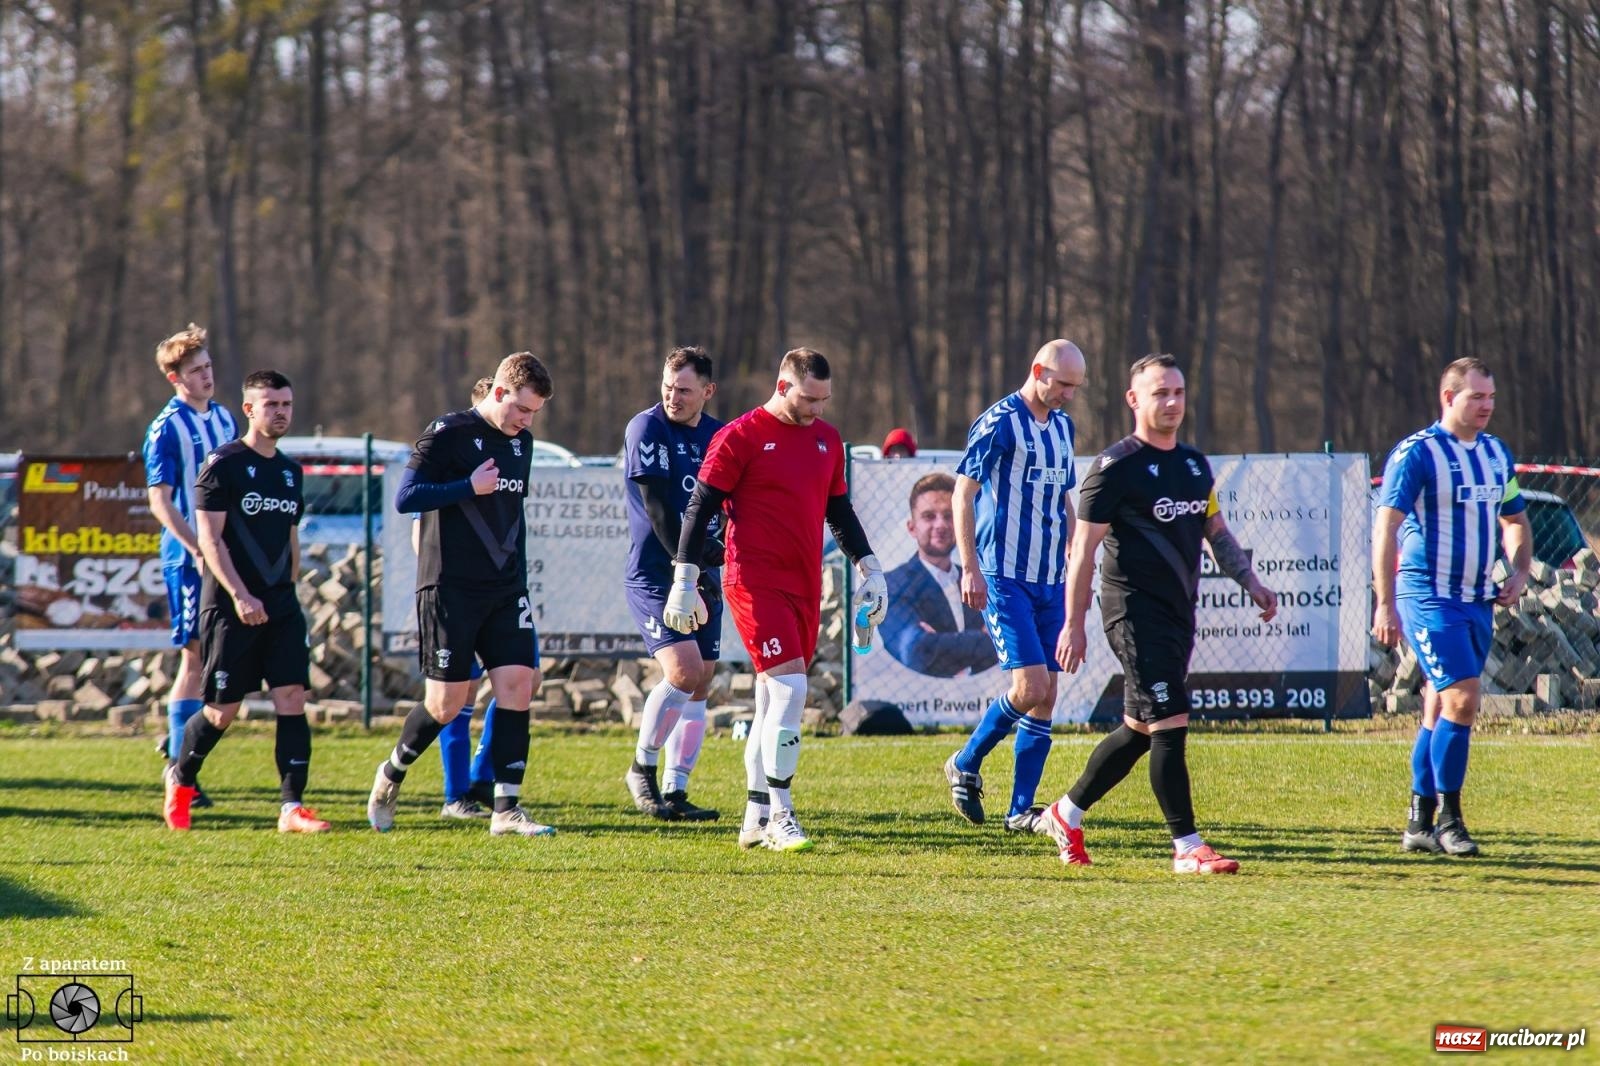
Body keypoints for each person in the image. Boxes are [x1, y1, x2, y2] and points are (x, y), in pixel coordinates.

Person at [1043, 354, 1277, 873]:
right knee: (1171, 722)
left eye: (1177, 392)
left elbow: (1215, 533)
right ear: (1134, 400)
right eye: (1159, 393)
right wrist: (1072, 622)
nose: (1171, 403)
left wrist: (1252, 583)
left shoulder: (1194, 465)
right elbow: (1081, 551)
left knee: (1139, 729)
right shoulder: (1115, 466)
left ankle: (1067, 811)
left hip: (1177, 615)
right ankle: (1188, 847)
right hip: (1130, 613)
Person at [664, 347, 887, 852]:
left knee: (770, 702)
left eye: (825, 399)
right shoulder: (739, 436)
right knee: (790, 692)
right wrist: (684, 576)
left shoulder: (827, 440)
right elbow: (699, 509)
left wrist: (868, 565)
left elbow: (839, 510)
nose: (818, 409)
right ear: (783, 385)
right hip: (752, 580)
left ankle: (754, 818)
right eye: (810, 398)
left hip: (804, 582)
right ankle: (783, 815)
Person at [367, 352, 555, 838]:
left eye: (533, 413)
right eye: (522, 409)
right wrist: (467, 486)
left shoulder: (522, 444)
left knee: (518, 686)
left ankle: (506, 810)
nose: (526, 420)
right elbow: (406, 497)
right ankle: (391, 773)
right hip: (449, 587)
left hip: (504, 588)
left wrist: (521, 582)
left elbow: (513, 516)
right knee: (447, 704)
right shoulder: (447, 432)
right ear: (498, 392)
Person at [1372, 358, 1529, 857]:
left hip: (1476, 598)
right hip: (1427, 594)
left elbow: (1516, 520)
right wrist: (1384, 603)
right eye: (1475, 397)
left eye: (1491, 398)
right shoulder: (1416, 454)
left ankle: (1418, 820)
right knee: (1463, 698)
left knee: (1439, 705)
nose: (1485, 407)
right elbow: (1386, 528)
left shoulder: (1496, 454)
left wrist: (1521, 571)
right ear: (1448, 397)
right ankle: (1450, 820)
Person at [163, 370, 328, 833]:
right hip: (231, 605)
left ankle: (292, 808)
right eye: (270, 404)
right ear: (249, 409)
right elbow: (209, 540)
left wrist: (287, 591)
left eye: (287, 404)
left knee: (292, 697)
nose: (280, 412)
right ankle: (181, 776)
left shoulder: (291, 472)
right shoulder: (223, 463)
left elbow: (291, 538)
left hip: (280, 605)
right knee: (222, 710)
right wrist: (240, 594)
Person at [942, 340, 1085, 834]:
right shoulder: (1000, 421)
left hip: (1050, 578)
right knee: (1030, 687)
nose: (1069, 394)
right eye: (1063, 383)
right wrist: (969, 567)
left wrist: (1073, 544)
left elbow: (1062, 497)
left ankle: (1020, 810)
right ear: (1038, 371)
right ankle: (965, 761)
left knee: (1047, 695)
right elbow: (964, 493)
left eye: (1075, 387)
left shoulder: (1063, 427)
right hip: (1004, 575)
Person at [621, 346, 726, 821]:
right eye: (667, 386)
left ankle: (676, 790)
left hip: (703, 572)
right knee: (682, 671)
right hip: (656, 574)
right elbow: (659, 509)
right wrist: (695, 562)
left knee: (701, 680)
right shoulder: (647, 427)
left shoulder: (719, 434)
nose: (672, 396)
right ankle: (641, 769)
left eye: (684, 390)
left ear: (707, 391)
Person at [143, 323, 237, 808]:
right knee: (195, 656)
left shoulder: (223, 419)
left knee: (218, 659)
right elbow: (160, 500)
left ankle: (181, 749)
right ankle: (182, 773)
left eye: (208, 367)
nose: (207, 376)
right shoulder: (166, 427)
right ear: (175, 378)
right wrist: (196, 545)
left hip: (223, 554)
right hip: (189, 558)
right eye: (196, 370)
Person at [428, 375, 501, 820]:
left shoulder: (509, 458)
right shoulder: (454, 452)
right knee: (456, 694)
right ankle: (457, 795)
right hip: (456, 593)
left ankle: (482, 776)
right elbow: (424, 527)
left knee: (524, 678)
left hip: (499, 592)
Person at [881, 473, 997, 677]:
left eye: (949, 515)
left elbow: (1008, 641)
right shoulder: (891, 585)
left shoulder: (978, 581)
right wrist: (982, 639)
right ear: (912, 527)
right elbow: (916, 651)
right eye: (928, 516)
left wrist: (941, 645)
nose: (940, 525)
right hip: (921, 702)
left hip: (980, 698)